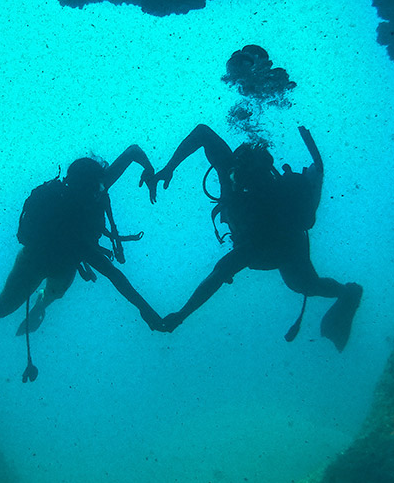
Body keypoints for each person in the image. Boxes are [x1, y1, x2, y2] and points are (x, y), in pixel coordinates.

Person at [0, 146, 162, 405]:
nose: (101, 191)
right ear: (92, 187)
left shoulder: (78, 191)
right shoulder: (83, 215)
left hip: (37, 260)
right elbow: (114, 276)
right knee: (46, 293)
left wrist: (147, 168)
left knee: (4, 306)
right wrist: (146, 309)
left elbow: (132, 152)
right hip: (50, 262)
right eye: (99, 188)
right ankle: (37, 306)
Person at [151, 124, 362, 350]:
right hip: (267, 242)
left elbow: (221, 271)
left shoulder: (260, 202)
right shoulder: (232, 171)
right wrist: (169, 167)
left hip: (282, 245)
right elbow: (202, 132)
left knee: (305, 285)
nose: (239, 180)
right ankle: (345, 293)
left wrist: (182, 315)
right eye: (238, 172)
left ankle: (348, 293)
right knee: (306, 285)